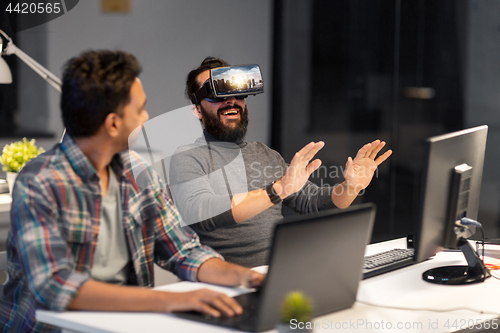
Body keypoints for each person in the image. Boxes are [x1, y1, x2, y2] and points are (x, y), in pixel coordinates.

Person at [0, 51, 264, 333]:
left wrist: (247, 279)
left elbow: (184, 251)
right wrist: (170, 300)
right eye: (140, 109)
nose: (146, 116)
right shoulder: (40, 181)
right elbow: (56, 287)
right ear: (113, 123)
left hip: (124, 325)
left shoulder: (136, 172)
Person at [169, 57, 392, 267]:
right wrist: (278, 189)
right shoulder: (187, 158)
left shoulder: (266, 155)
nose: (230, 101)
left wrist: (350, 186)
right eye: (216, 94)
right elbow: (201, 212)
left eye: (236, 92)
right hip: (224, 287)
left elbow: (312, 202)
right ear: (198, 110)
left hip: (278, 274)